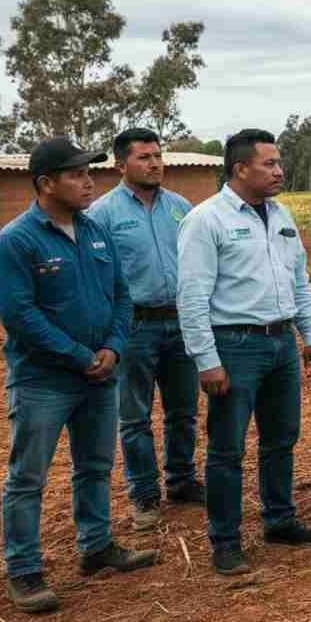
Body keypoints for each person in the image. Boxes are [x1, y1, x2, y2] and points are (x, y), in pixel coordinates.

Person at [0, 137, 158, 614]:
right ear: (46, 183)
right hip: (43, 381)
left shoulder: (95, 231)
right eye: (77, 175)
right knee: (28, 477)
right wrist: (80, 355)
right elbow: (20, 315)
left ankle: (96, 546)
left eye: (89, 173)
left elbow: (121, 296)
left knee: (96, 466)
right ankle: (24, 570)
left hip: (100, 375)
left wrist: (113, 347)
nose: (89, 183)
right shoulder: (16, 241)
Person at [177, 129, 311, 576]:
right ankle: (225, 541)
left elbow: (299, 282)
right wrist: (207, 360)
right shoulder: (206, 220)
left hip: (281, 343)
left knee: (281, 439)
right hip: (234, 346)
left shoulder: (280, 215)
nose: (280, 170)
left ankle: (279, 520)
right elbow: (192, 297)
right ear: (241, 169)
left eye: (279, 162)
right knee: (227, 449)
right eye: (270, 163)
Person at [88, 128, 200, 532]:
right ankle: (144, 494)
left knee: (183, 411)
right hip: (133, 327)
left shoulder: (181, 207)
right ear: (121, 165)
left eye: (157, 156)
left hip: (181, 322)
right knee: (134, 417)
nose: (155, 164)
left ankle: (182, 481)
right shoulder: (102, 214)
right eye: (144, 158)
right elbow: (94, 277)